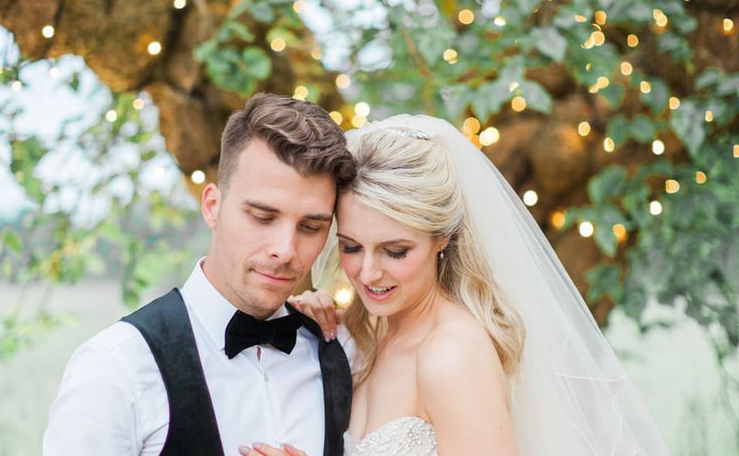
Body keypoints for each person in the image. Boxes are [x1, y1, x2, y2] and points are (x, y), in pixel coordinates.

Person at [244, 115, 671, 456]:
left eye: (395, 251)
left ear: (442, 237)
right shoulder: (367, 335)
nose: (368, 273)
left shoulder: (452, 354)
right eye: (352, 247)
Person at [43, 93, 357, 456]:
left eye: (310, 226)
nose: (285, 250)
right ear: (212, 206)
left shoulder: (341, 351)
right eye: (262, 217)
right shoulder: (116, 368)